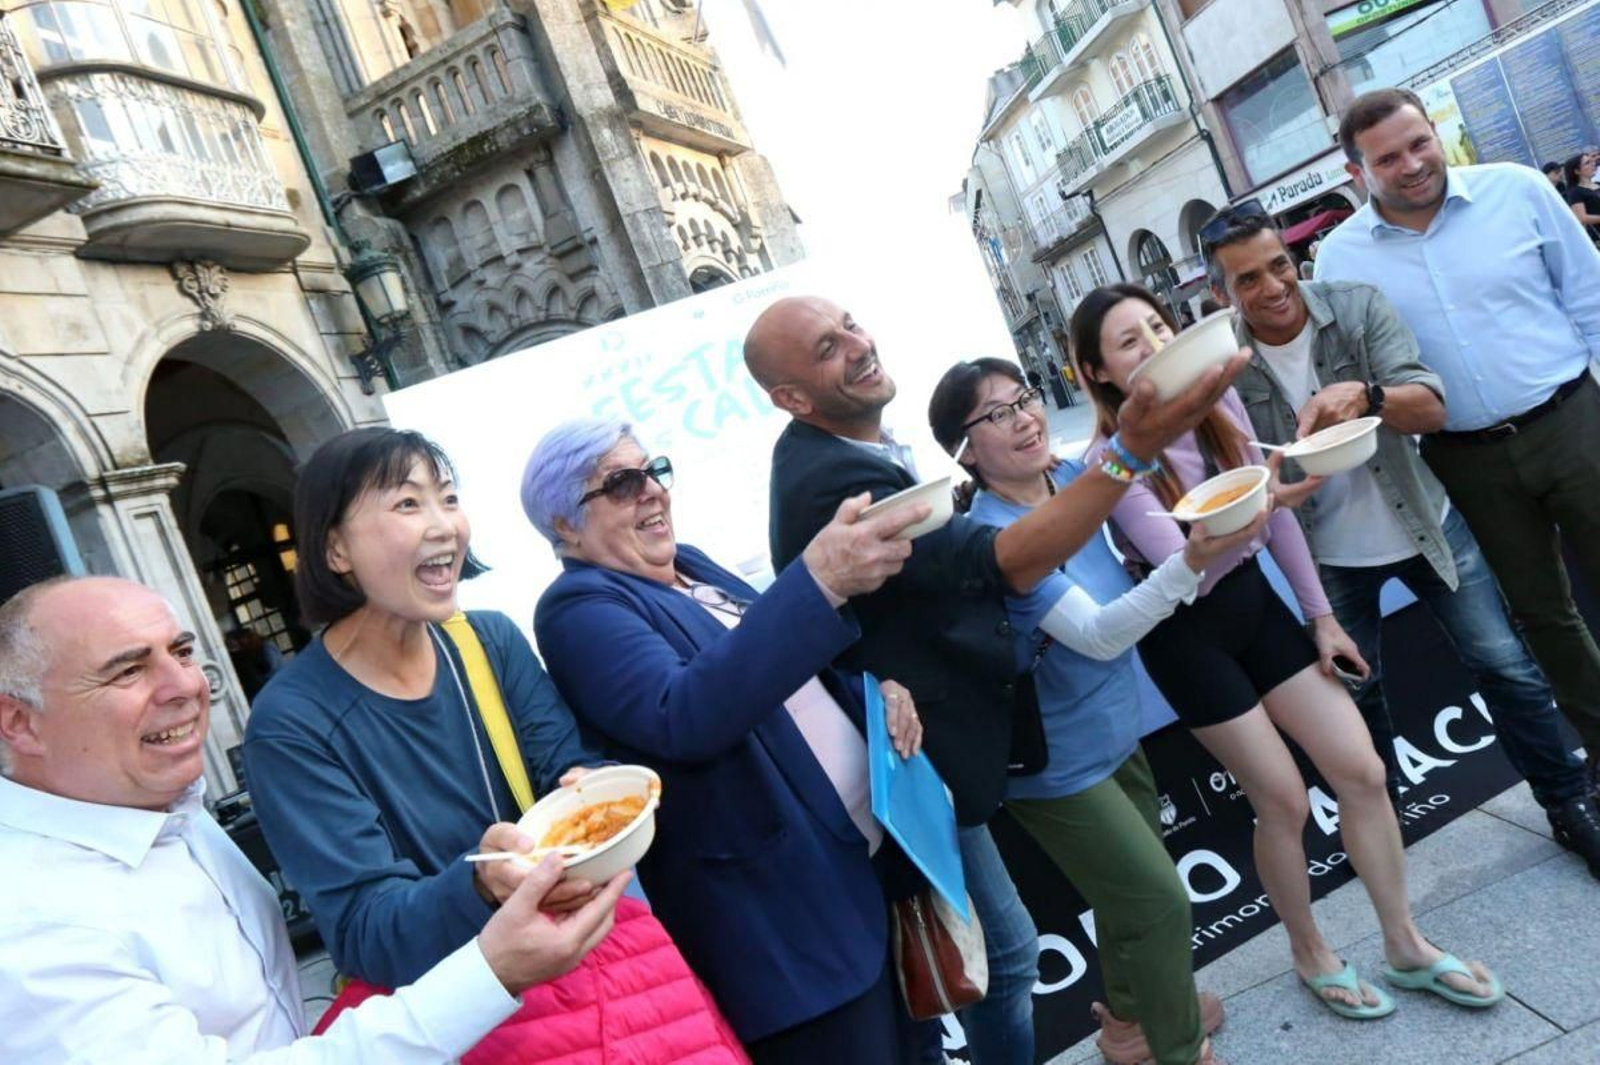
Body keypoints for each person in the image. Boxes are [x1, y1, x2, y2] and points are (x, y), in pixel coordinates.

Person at [745, 294, 1249, 1065]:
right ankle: (1176, 1046)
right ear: (791, 396)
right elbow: (1001, 566)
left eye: (850, 321)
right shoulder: (832, 476)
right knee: (1038, 947)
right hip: (966, 754)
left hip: (1060, 734)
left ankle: (1131, 1024)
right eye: (825, 347)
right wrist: (1133, 451)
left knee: (1115, 911)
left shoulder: (879, 455)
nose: (856, 340)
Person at [242, 428, 746, 1063]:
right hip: (478, 1021)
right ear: (335, 548)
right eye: (407, 504)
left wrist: (588, 787)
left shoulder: (489, 641)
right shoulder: (290, 723)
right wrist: (482, 887)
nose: (444, 525)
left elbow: (565, 767)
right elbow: (364, 929)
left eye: (448, 498)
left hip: (611, 973)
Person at [1073, 282, 1502, 1020]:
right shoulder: (1110, 462)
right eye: (1129, 342)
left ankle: (1405, 943)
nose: (1153, 344)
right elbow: (1188, 570)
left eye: (1157, 325)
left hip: (1260, 610)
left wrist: (1321, 617)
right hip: (1189, 637)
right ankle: (1310, 951)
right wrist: (1273, 497)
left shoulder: (1222, 406)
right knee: (1283, 798)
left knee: (1363, 769)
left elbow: (1275, 530)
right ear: (1102, 372)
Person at [0, 575, 629, 1063]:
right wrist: (493, 970)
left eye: (182, 651)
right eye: (129, 670)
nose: (186, 686)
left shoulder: (162, 811)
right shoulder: (28, 925)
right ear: (19, 722)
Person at [524, 418, 932, 1064]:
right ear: (565, 524)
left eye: (652, 470)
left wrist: (872, 693)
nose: (652, 491)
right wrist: (819, 578)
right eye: (622, 483)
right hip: (792, 931)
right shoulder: (578, 607)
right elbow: (685, 712)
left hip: (863, 874)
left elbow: (787, 680)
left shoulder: (692, 565)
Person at [1208, 207, 1600, 875]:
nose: (1273, 287)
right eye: (1248, 279)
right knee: (1360, 701)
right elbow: (1232, 476)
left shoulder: (1356, 306)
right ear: (1221, 293)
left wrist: (1365, 395)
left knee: (1505, 665)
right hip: (1325, 554)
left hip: (1427, 519)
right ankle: (1386, 844)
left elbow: (1432, 405)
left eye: (1279, 266)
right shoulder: (1223, 368)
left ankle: (1569, 804)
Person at [928, 358, 1249, 1065]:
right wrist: (1190, 565)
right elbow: (1101, 634)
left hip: (1114, 729)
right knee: (1159, 899)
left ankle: (1130, 1023)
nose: (1024, 418)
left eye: (1025, 398)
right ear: (965, 451)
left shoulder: (1076, 478)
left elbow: (1140, 448)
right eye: (997, 414)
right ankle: (1179, 1047)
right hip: (1053, 764)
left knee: (1129, 897)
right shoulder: (994, 539)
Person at [1315, 88, 1600, 786]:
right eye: (1388, 157)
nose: (1413, 163)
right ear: (1357, 173)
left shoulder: (1518, 191)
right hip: (1465, 461)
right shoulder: (1340, 261)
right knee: (1542, 615)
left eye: (1420, 142)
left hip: (1572, 419)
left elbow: (1590, 296)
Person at [1562, 151, 1600, 241]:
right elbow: (1582, 217)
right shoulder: (1575, 192)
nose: (1593, 164)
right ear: (1577, 171)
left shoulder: (1597, 184)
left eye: (1592, 161)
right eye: (1587, 163)